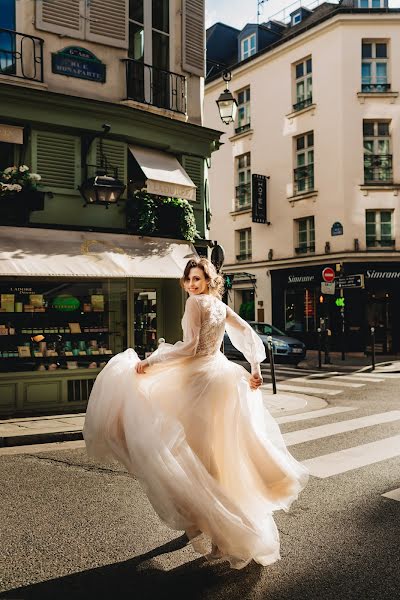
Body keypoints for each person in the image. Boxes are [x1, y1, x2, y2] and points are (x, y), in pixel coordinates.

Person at [83, 258, 308, 569]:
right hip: (223, 377)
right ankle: (216, 525)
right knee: (219, 456)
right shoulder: (217, 304)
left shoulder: (194, 305)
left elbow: (189, 349)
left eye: (198, 279)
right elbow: (245, 330)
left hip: (199, 383)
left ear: (208, 280)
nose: (191, 284)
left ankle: (215, 526)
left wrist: (152, 361)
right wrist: (254, 367)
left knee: (193, 455)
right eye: (189, 279)